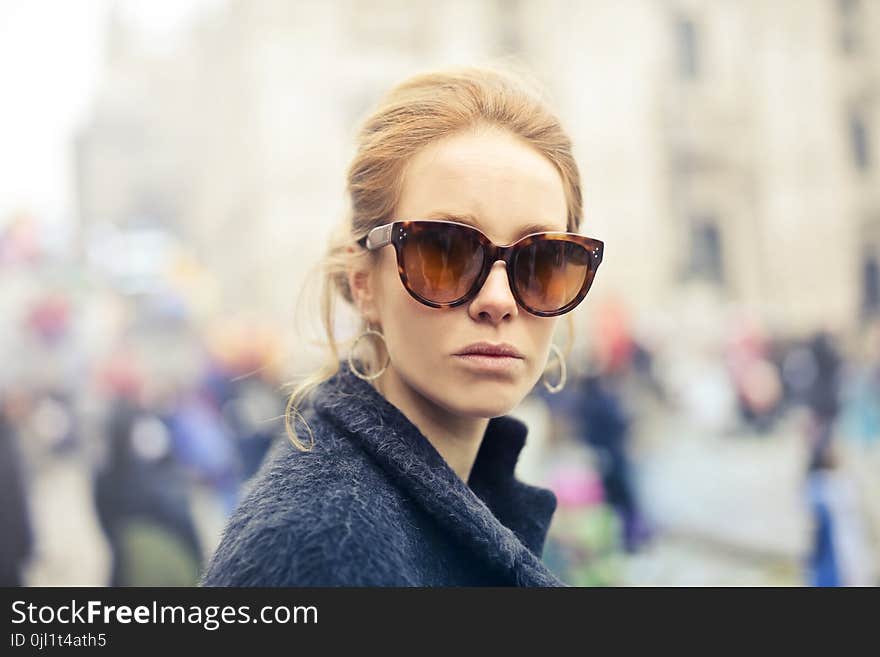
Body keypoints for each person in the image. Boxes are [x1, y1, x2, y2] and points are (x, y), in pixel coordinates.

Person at [200, 65, 605, 586]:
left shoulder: (409, 497)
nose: (499, 301)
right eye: (444, 252)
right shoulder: (317, 553)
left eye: (544, 260)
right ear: (363, 281)